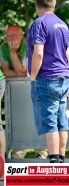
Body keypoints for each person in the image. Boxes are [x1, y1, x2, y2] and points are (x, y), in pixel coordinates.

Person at [27, 0, 69, 163]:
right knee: (62, 121)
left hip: (46, 78)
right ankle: (61, 159)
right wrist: (68, 77)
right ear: (53, 4)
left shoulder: (39, 23)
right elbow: (68, 55)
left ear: (36, 4)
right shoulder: (62, 24)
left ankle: (53, 162)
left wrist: (32, 77)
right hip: (63, 78)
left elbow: (38, 54)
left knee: (50, 121)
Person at [0, 25, 49, 159]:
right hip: (16, 91)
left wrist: (13, 54)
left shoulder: (29, 46)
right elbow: (6, 71)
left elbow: (23, 72)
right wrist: (13, 55)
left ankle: (41, 153)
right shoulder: (3, 47)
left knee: (37, 117)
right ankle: (18, 154)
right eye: (8, 36)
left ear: (21, 36)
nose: (11, 39)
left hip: (36, 85)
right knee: (17, 119)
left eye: (14, 36)